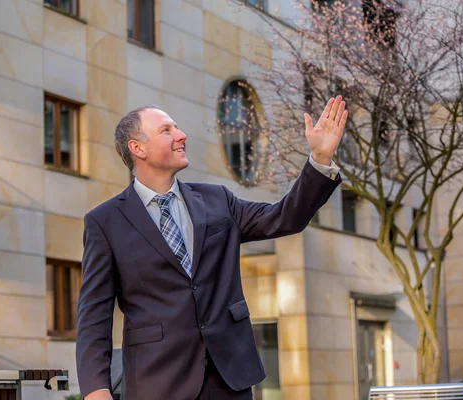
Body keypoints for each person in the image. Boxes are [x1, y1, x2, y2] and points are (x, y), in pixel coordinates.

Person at [76, 96, 348, 400]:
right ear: (138, 148)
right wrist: (96, 389)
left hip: (229, 378)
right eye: (167, 131)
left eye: (177, 128)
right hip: (157, 383)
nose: (181, 136)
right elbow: (94, 314)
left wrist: (320, 158)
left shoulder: (218, 200)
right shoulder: (105, 222)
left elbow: (285, 218)